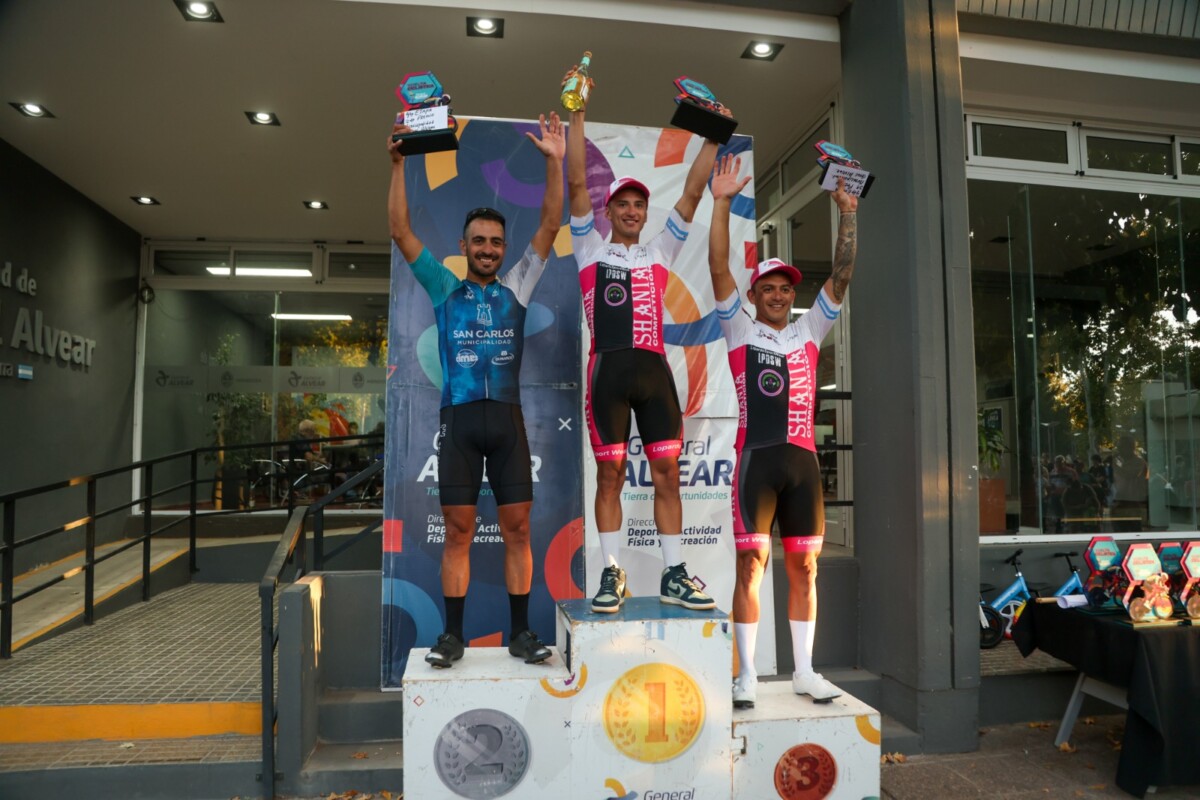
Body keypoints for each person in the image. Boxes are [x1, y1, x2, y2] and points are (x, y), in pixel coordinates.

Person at [387, 112, 565, 667]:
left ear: (504, 248)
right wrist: (398, 166)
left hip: (507, 422)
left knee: (518, 530)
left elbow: (550, 223)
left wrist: (554, 163)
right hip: (460, 422)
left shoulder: (518, 284)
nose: (487, 249)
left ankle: (520, 633)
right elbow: (401, 232)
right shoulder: (444, 287)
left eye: (495, 242)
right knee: (458, 532)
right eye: (479, 241)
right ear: (464, 246)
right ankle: (453, 637)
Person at [565, 72, 722, 614]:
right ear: (609, 211)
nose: (632, 211)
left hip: (655, 374)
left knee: (667, 475)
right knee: (609, 476)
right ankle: (611, 574)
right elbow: (577, 185)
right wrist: (577, 111)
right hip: (607, 372)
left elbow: (693, 193)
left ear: (644, 213)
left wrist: (714, 136)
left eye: (639, 205)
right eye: (623, 204)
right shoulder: (589, 248)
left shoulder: (660, 251)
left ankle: (675, 574)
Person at [706, 154, 858, 707]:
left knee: (805, 567)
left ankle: (804, 672)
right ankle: (745, 674)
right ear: (753, 296)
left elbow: (842, 276)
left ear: (793, 295)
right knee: (751, 565)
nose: (777, 295)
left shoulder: (809, 331)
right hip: (757, 463)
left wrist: (847, 211)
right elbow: (718, 267)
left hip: (802, 465)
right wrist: (721, 201)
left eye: (785, 288)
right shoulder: (738, 328)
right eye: (767, 288)